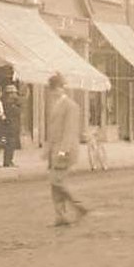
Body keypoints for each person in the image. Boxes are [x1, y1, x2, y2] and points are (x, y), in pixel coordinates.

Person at [44, 74, 87, 226]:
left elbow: (70, 130)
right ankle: (60, 216)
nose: (54, 92)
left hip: (64, 151)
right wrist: (47, 150)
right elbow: (53, 130)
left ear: (61, 89)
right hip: (55, 150)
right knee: (54, 183)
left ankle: (79, 206)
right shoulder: (55, 105)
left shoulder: (71, 106)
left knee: (57, 181)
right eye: (53, 90)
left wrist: (63, 151)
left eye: (56, 89)